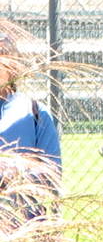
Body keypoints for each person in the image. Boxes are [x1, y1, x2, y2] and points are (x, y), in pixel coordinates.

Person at [0, 26, 63, 214]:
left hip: (24, 224)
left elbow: (52, 174)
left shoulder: (35, 113)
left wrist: (13, 174)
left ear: (14, 66)